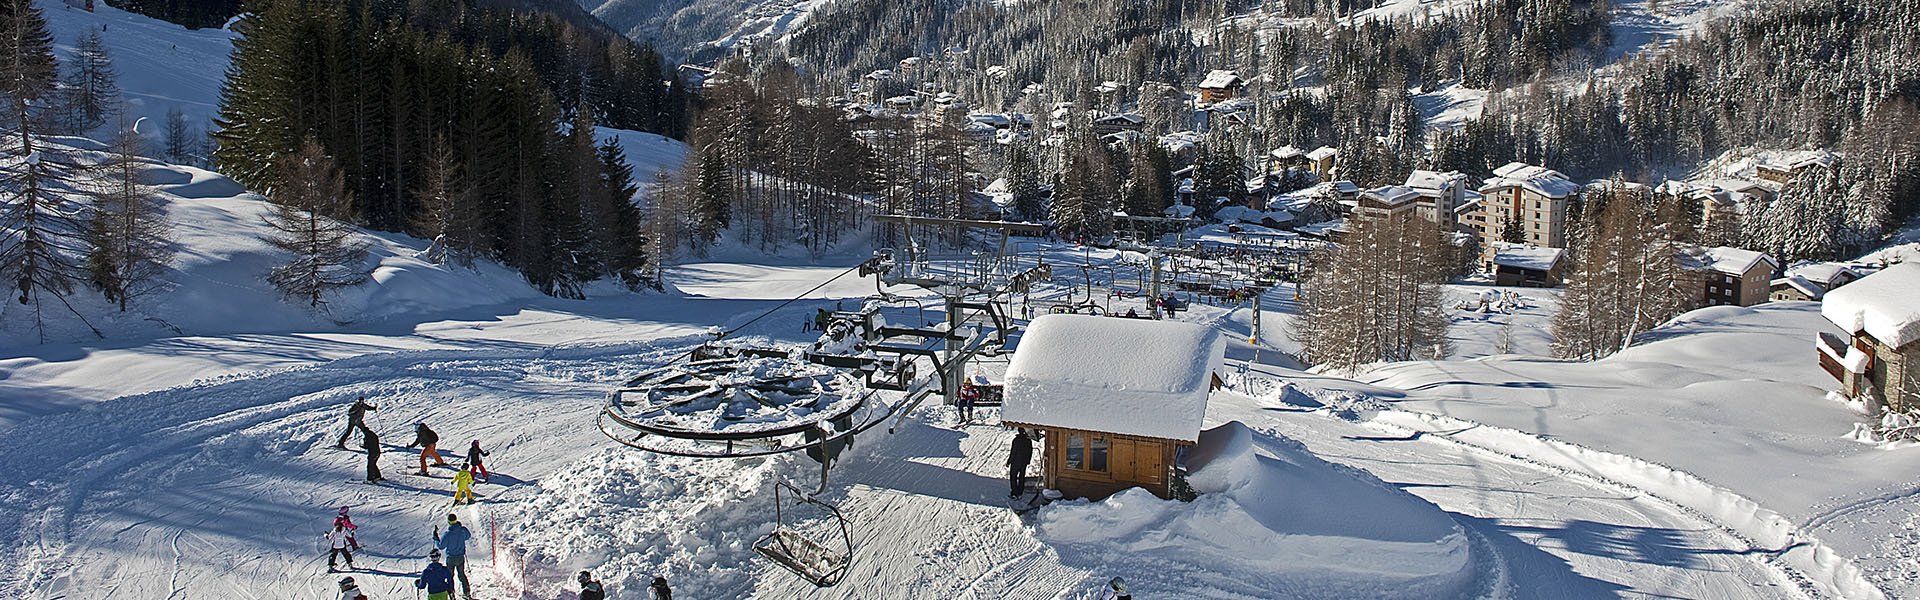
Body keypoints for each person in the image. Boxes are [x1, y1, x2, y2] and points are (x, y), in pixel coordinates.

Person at [434, 513, 473, 599]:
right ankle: (467, 593)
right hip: (460, 557)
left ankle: (451, 594)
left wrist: (436, 539)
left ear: (449, 522)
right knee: (462, 575)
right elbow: (468, 536)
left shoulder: (447, 534)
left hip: (450, 558)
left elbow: (441, 546)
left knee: (450, 576)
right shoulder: (462, 530)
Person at [1008, 428, 1034, 498]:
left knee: (1013, 476)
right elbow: (1030, 451)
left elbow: (1013, 452)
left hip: (1015, 462)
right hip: (1024, 462)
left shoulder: (1016, 440)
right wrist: (1028, 460)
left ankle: (1014, 492)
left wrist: (1009, 461)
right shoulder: (1028, 440)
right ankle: (1020, 491)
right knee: (1021, 476)